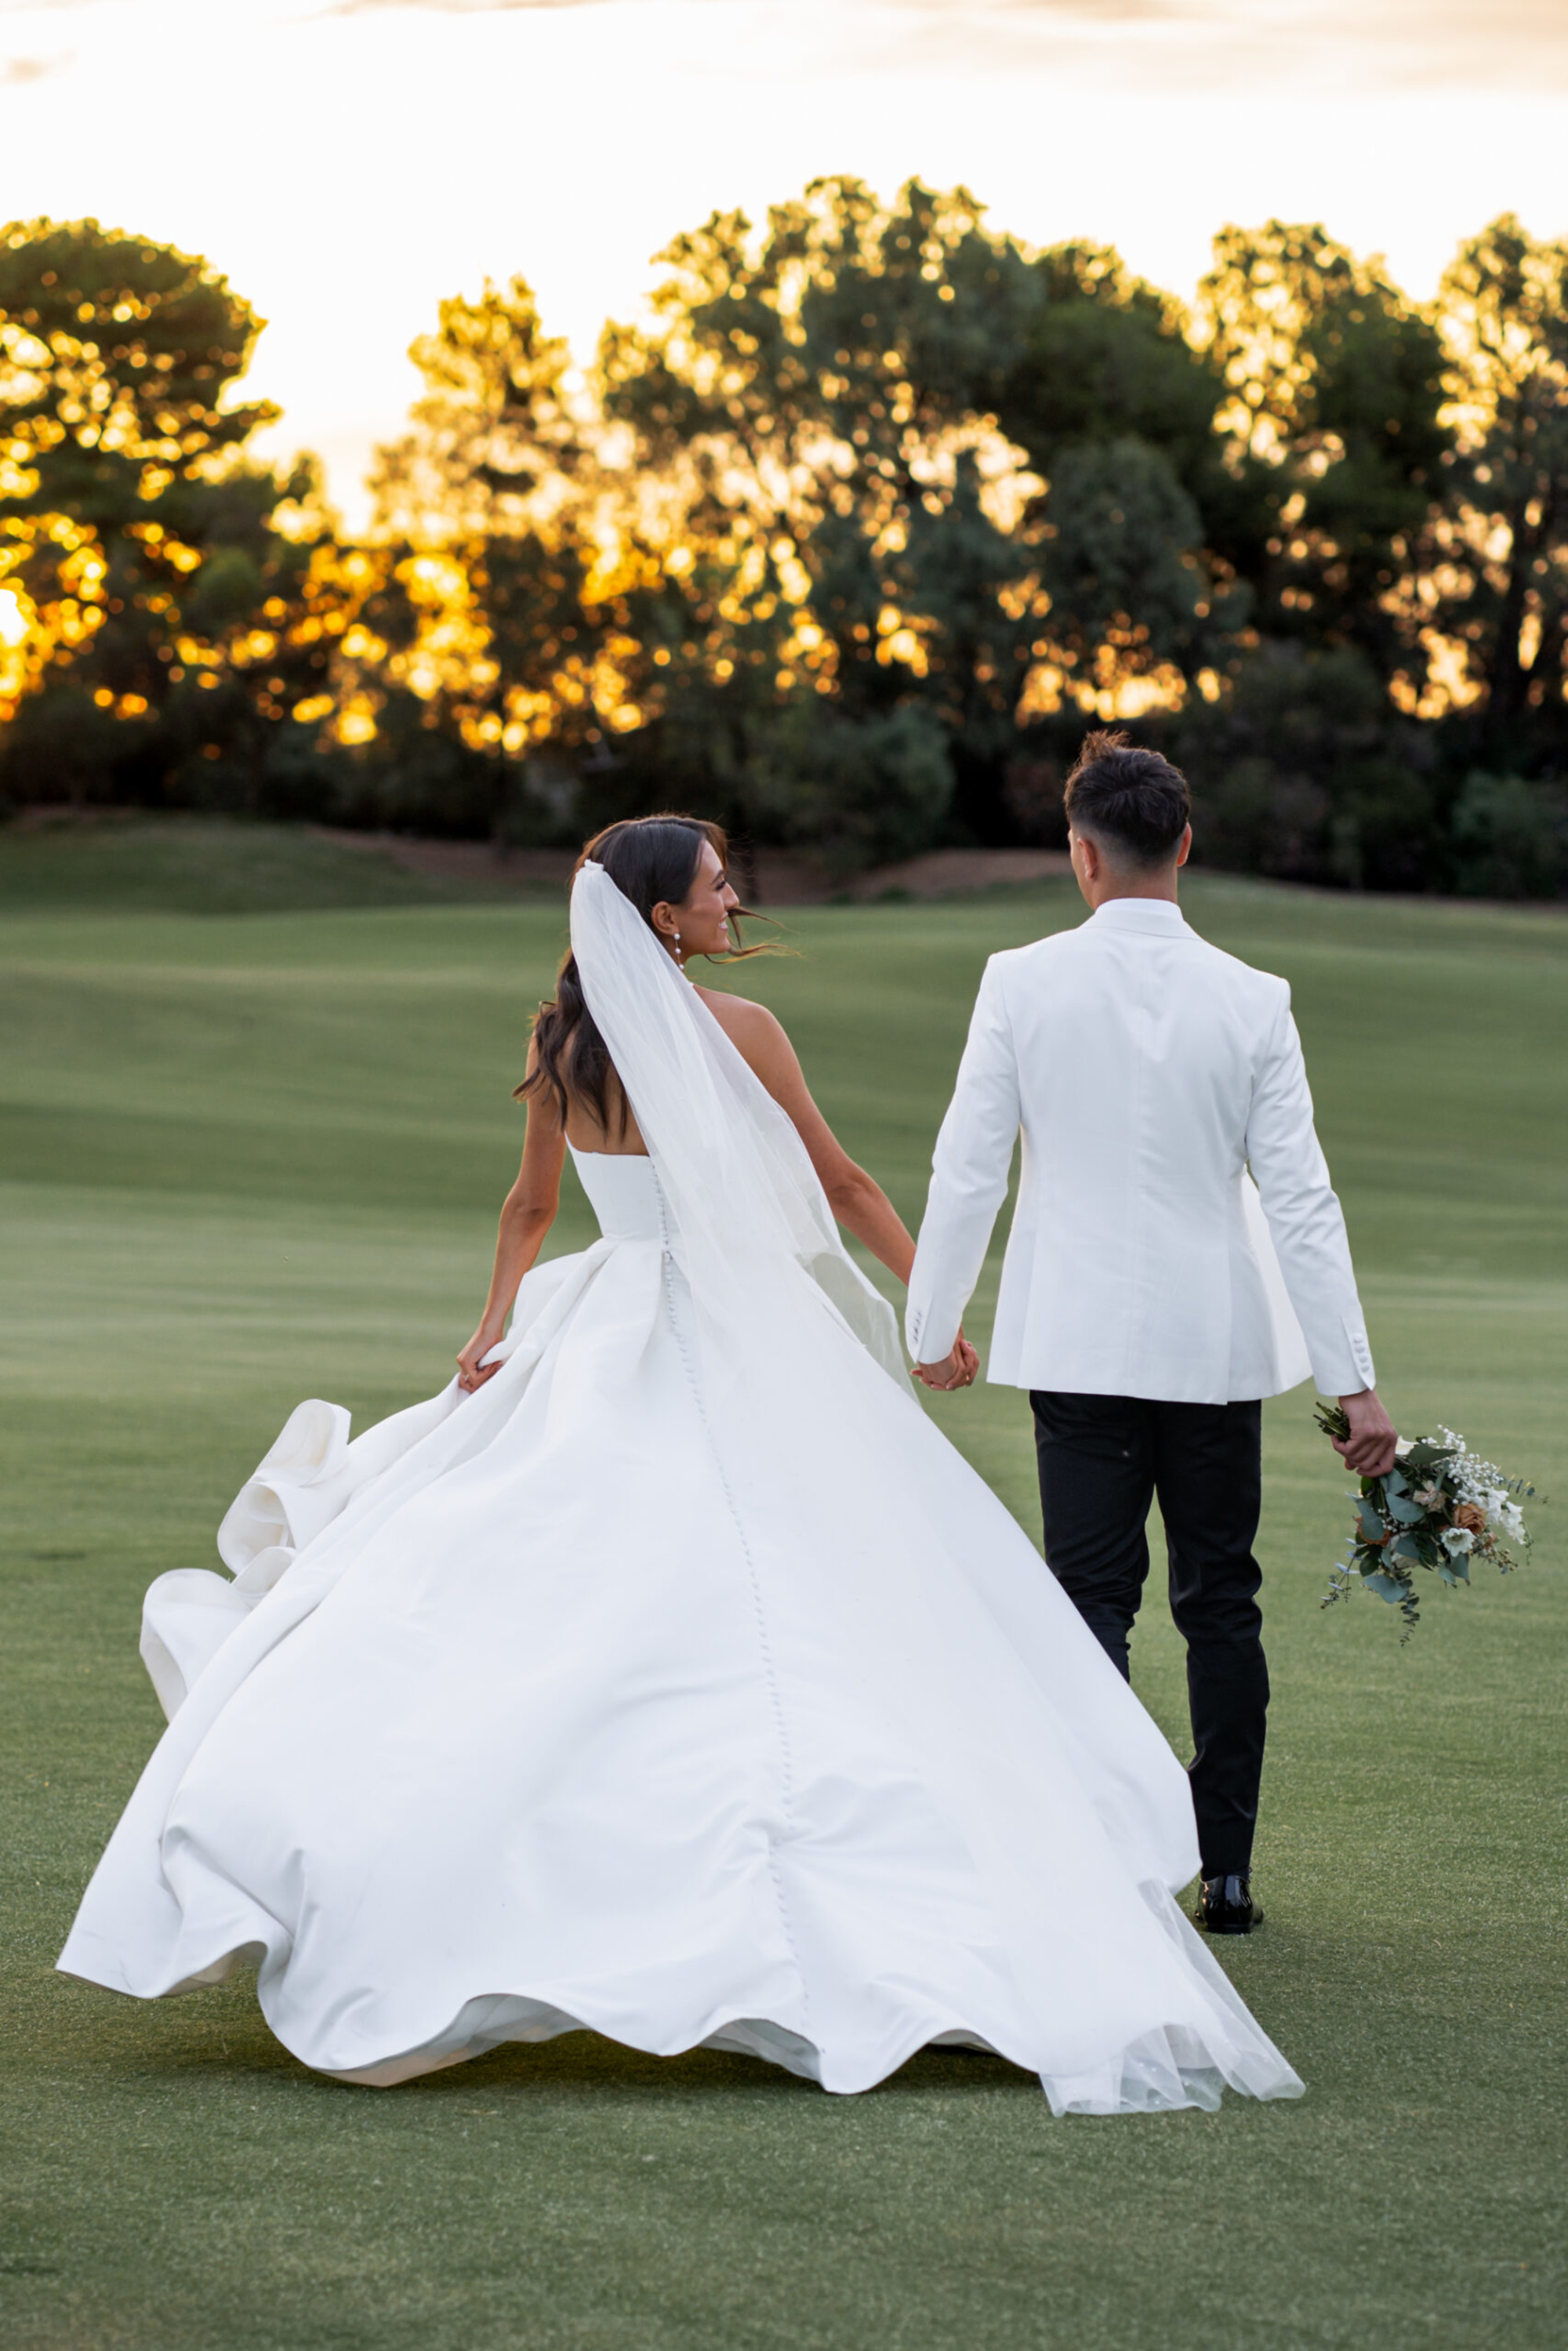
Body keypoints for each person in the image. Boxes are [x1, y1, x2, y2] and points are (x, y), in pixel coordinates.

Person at [60, 814, 1302, 2113]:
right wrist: (935, 1315)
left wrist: (492, 1327)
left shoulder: (563, 1043)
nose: (733, 898)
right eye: (714, 887)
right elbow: (840, 1181)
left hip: (600, 1315)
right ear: (662, 919)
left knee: (552, 1562)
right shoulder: (746, 1031)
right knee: (808, 1583)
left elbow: (532, 1207)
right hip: (742, 1323)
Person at [906, 731, 1397, 1936]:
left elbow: (968, 1172)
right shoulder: (1254, 999)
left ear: (1081, 854)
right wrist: (1357, 1386)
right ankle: (1225, 1875)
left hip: (1073, 1344)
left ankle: (1111, 1867)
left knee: (1088, 1602)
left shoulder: (1018, 981)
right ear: (1185, 843)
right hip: (1213, 1349)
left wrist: (933, 1325)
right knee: (1220, 1603)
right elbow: (1302, 1201)